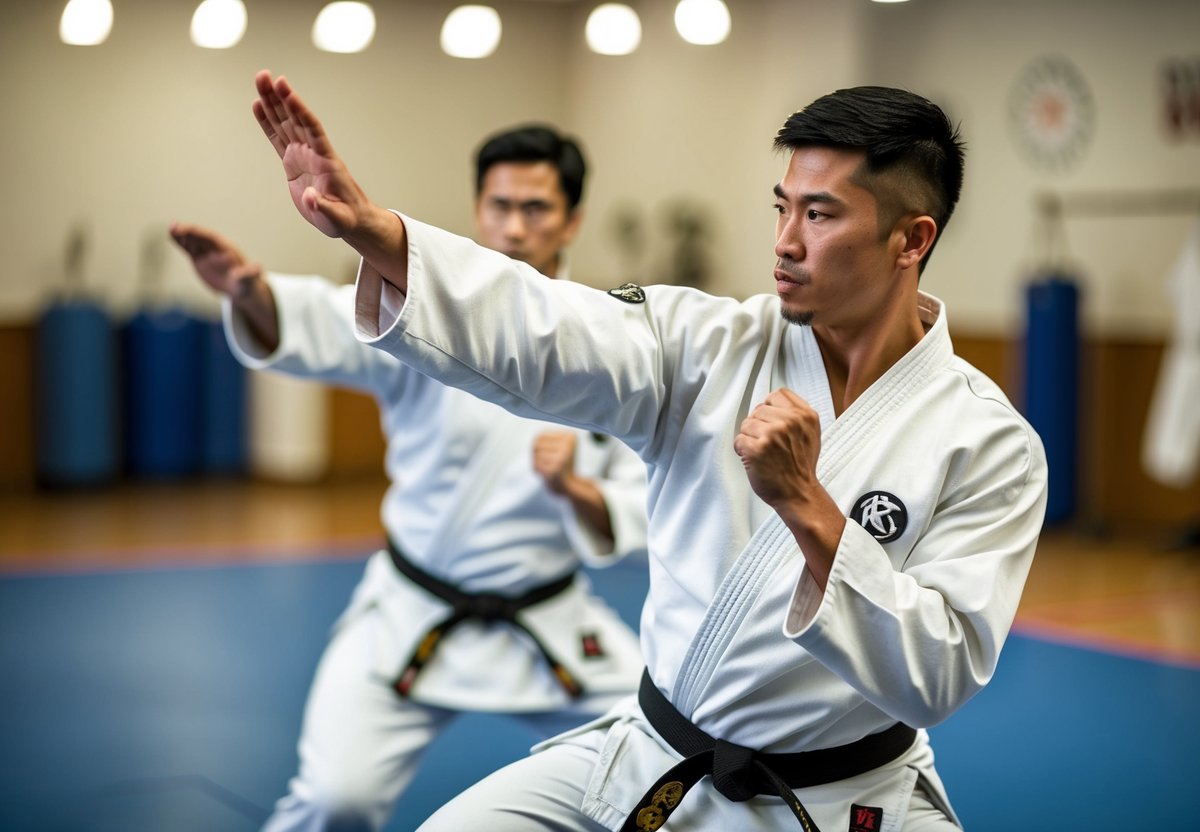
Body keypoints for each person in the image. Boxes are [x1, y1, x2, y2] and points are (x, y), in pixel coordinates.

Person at [249, 69, 1049, 831]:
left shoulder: (987, 444)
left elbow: (939, 671)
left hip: (846, 799)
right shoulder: (706, 344)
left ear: (911, 240)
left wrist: (805, 503)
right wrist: (382, 235)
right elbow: (545, 326)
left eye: (819, 215)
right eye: (781, 207)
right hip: (656, 754)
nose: (784, 243)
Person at [170, 121, 650, 832]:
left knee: (661, 758)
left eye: (535, 208)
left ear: (571, 220)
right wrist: (251, 296)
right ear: (477, 209)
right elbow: (318, 324)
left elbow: (648, 497)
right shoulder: (424, 312)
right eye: (499, 206)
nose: (513, 227)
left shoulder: (612, 336)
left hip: (550, 621)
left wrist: (582, 494)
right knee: (338, 801)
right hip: (410, 612)